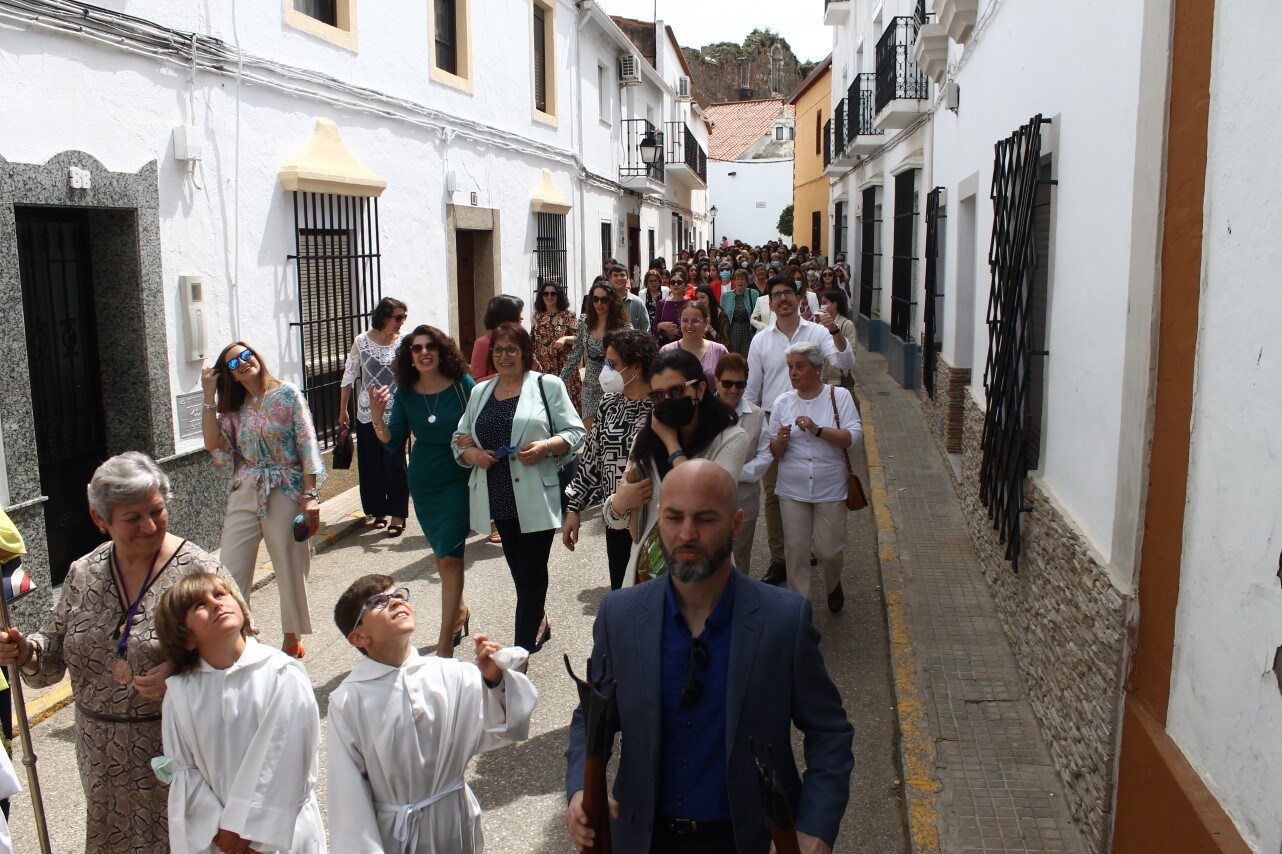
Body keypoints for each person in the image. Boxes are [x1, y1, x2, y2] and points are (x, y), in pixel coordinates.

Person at [565, 460, 855, 853]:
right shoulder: (620, 616)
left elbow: (830, 732)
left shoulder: (783, 621)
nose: (687, 534)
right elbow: (593, 716)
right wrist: (581, 790)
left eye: (705, 519)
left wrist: (815, 828)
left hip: (749, 842)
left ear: (735, 525)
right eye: (673, 517)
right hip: (644, 840)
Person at [0, 452, 237, 852]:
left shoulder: (198, 571)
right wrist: (26, 651)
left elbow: (246, 656)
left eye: (157, 511)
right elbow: (52, 650)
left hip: (177, 752)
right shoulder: (83, 572)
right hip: (102, 755)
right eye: (132, 518)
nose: (149, 526)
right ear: (100, 520)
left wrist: (185, 671)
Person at [327, 574, 537, 853]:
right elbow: (348, 796)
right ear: (359, 637)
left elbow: (507, 728)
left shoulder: (451, 673)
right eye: (378, 601)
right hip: (397, 837)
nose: (394, 602)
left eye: (398, 595)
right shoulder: (348, 701)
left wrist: (494, 681)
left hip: (455, 821)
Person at [153, 573, 324, 854]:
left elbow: (286, 756)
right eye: (199, 605)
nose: (216, 604)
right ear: (185, 639)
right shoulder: (180, 693)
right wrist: (222, 831)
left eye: (220, 595)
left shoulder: (281, 673)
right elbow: (185, 771)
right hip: (220, 839)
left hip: (284, 833)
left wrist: (248, 833)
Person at [454, 323, 586, 653]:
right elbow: (459, 440)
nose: (504, 356)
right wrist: (472, 454)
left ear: (525, 352)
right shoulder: (480, 392)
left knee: (530, 575)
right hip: (496, 496)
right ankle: (538, 619)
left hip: (536, 496)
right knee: (520, 571)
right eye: (498, 350)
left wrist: (546, 446)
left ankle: (519, 653)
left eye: (512, 349)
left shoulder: (547, 386)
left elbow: (575, 433)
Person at [202, 342, 324, 657]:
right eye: (233, 363)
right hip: (246, 487)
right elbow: (214, 444)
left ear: (257, 356)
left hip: (285, 485)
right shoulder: (232, 407)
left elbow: (307, 444)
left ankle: (291, 636)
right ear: (228, 374)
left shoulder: (288, 395)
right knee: (229, 566)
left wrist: (310, 496)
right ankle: (241, 634)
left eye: (246, 355)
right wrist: (207, 396)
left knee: (288, 564)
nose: (243, 363)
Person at [370, 325, 476, 658]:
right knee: (441, 554)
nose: (424, 352)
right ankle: (459, 611)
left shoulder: (462, 385)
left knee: (452, 554)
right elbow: (392, 438)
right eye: (416, 348)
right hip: (424, 481)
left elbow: (483, 421)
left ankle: (445, 642)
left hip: (459, 475)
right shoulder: (405, 392)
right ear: (410, 356)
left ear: (442, 351)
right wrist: (376, 417)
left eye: (431, 346)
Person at [603, 348, 747, 587]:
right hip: (648, 575)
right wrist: (620, 503)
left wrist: (671, 444)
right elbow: (617, 520)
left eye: (677, 391)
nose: (667, 401)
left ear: (700, 390)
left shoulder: (731, 440)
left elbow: (704, 502)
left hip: (704, 574)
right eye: (658, 395)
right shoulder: (647, 440)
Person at [746, 278, 855, 587]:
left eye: (787, 294)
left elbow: (846, 363)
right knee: (774, 495)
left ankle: (815, 550)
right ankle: (781, 559)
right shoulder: (761, 340)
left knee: (819, 486)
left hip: (817, 415)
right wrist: (749, 429)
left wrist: (834, 329)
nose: (782, 299)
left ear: (798, 298)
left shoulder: (819, 332)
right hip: (775, 421)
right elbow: (753, 388)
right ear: (769, 303)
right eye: (775, 295)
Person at [768, 342, 863, 612]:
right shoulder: (782, 402)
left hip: (830, 487)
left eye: (800, 366)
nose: (793, 373)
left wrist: (817, 429)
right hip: (792, 488)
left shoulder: (839, 396)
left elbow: (853, 438)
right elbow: (774, 451)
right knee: (796, 552)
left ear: (818, 368)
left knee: (828, 551)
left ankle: (833, 583)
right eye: (790, 367)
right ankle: (800, 608)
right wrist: (781, 441)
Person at [562, 329, 658, 590]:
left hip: (654, 520)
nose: (606, 370)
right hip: (615, 515)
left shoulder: (660, 405)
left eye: (612, 364)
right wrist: (574, 507)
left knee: (653, 595)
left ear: (636, 366)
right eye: (605, 362)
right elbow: (592, 457)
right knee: (621, 592)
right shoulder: (608, 403)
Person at [339, 297, 411, 536]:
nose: (402, 322)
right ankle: (378, 510)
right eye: (398, 317)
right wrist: (343, 409)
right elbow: (349, 375)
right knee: (371, 463)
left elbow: (410, 376)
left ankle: (398, 513)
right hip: (367, 410)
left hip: (396, 412)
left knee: (395, 462)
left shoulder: (403, 343)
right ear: (383, 317)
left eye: (404, 317)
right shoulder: (361, 341)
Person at [714, 354, 773, 576]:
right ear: (716, 381)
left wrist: (733, 473)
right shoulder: (701, 413)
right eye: (727, 383)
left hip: (744, 504)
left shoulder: (756, 416)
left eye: (740, 384)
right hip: (709, 504)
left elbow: (765, 456)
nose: (733, 389)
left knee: (739, 564)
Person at [560, 281, 631, 429]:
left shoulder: (623, 327)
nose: (599, 303)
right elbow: (576, 352)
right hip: (590, 386)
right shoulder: (585, 322)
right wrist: (560, 381)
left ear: (612, 300)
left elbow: (630, 358)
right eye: (595, 298)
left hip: (614, 385)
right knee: (590, 431)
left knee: (611, 431)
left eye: (604, 299)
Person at [533, 282, 582, 414]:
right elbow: (532, 341)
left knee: (569, 405)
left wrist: (565, 338)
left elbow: (579, 338)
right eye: (546, 293)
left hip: (565, 367)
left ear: (558, 295)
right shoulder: (537, 317)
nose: (549, 296)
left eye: (553, 293)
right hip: (544, 368)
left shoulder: (568, 315)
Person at [659, 301, 729, 389]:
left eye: (695, 321)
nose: (689, 325)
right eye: (685, 321)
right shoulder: (666, 351)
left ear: (706, 322)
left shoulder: (719, 351)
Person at [470, 295, 525, 381]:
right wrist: (505, 374)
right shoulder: (483, 343)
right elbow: (476, 379)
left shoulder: (522, 339)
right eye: (519, 313)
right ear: (509, 316)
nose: (522, 317)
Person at [819, 288, 859, 390]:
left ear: (834, 304)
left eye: (825, 303)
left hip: (839, 379)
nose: (822, 306)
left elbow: (852, 351)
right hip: (822, 378)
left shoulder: (847, 324)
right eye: (821, 303)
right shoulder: (820, 325)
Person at [721, 268, 760, 358]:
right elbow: (722, 316)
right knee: (734, 356)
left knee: (749, 356)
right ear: (734, 281)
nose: (740, 282)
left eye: (742, 279)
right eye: (738, 279)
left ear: (746, 281)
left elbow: (759, 312)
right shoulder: (726, 296)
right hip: (733, 330)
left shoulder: (754, 294)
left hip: (748, 330)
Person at [651, 273, 691, 347]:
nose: (676, 285)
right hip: (665, 345)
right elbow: (654, 330)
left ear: (684, 285)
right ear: (669, 285)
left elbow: (693, 328)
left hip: (685, 345)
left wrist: (677, 332)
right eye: (672, 282)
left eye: (679, 282)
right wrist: (660, 326)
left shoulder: (689, 304)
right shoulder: (662, 303)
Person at [607, 264, 650, 332]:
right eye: (615, 275)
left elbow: (646, 327)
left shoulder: (637, 302)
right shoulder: (605, 301)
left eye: (622, 275)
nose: (619, 278)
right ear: (610, 279)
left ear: (627, 278)